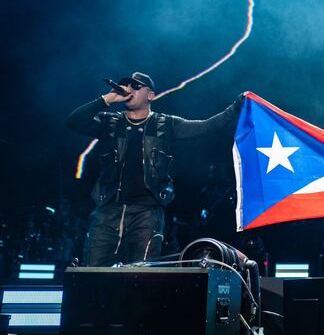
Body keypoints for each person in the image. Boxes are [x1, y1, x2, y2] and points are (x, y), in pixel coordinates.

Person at [67, 72, 243, 266]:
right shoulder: (110, 122)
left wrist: (234, 108)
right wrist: (108, 99)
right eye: (127, 85)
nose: (129, 89)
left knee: (140, 273)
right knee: (95, 270)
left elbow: (206, 126)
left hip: (146, 213)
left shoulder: (165, 124)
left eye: (136, 86)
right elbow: (74, 121)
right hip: (107, 210)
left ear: (150, 95)